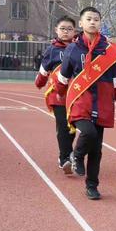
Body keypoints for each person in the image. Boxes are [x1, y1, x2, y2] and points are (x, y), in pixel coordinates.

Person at [55, 7, 116, 200]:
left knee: (97, 150)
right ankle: (76, 155)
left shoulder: (109, 53)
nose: (93, 22)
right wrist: (59, 93)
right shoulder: (73, 50)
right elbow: (63, 77)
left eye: (96, 19)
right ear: (81, 24)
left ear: (101, 24)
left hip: (102, 104)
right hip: (80, 102)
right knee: (88, 133)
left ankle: (92, 185)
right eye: (88, 19)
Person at [35, 16, 77, 174]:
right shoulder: (52, 50)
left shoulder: (80, 48)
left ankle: (68, 153)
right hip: (57, 94)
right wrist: (39, 82)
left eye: (69, 29)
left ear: (75, 31)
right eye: (62, 29)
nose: (66, 32)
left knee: (73, 125)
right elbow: (44, 69)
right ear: (56, 30)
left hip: (75, 93)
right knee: (63, 125)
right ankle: (64, 158)